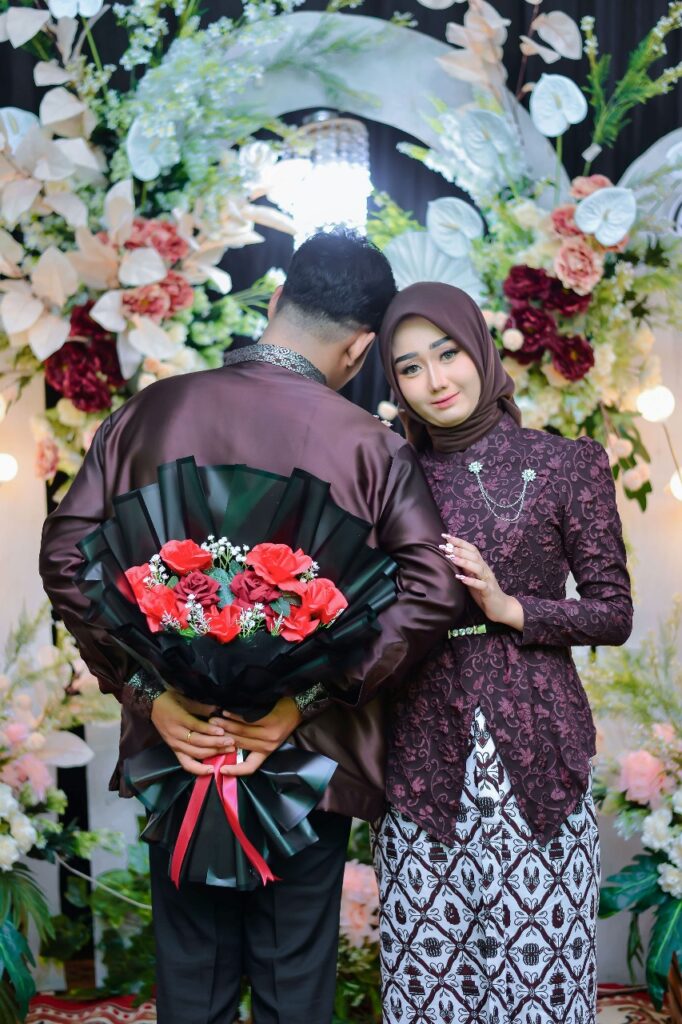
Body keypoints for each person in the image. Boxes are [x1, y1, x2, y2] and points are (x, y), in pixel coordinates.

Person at [39, 233, 465, 1024]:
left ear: (275, 301)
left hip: (179, 751)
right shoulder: (372, 448)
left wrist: (150, 695)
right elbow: (432, 590)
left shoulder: (147, 413)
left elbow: (67, 558)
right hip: (304, 762)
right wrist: (303, 702)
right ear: (362, 347)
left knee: (191, 986)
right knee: (293, 987)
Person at [373, 282, 633, 1024]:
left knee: (538, 991)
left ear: (480, 349)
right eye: (410, 367)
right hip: (421, 759)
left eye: (448, 353)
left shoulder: (564, 464)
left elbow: (613, 612)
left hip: (537, 753)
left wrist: (510, 607)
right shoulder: (387, 476)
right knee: (429, 993)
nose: (435, 380)